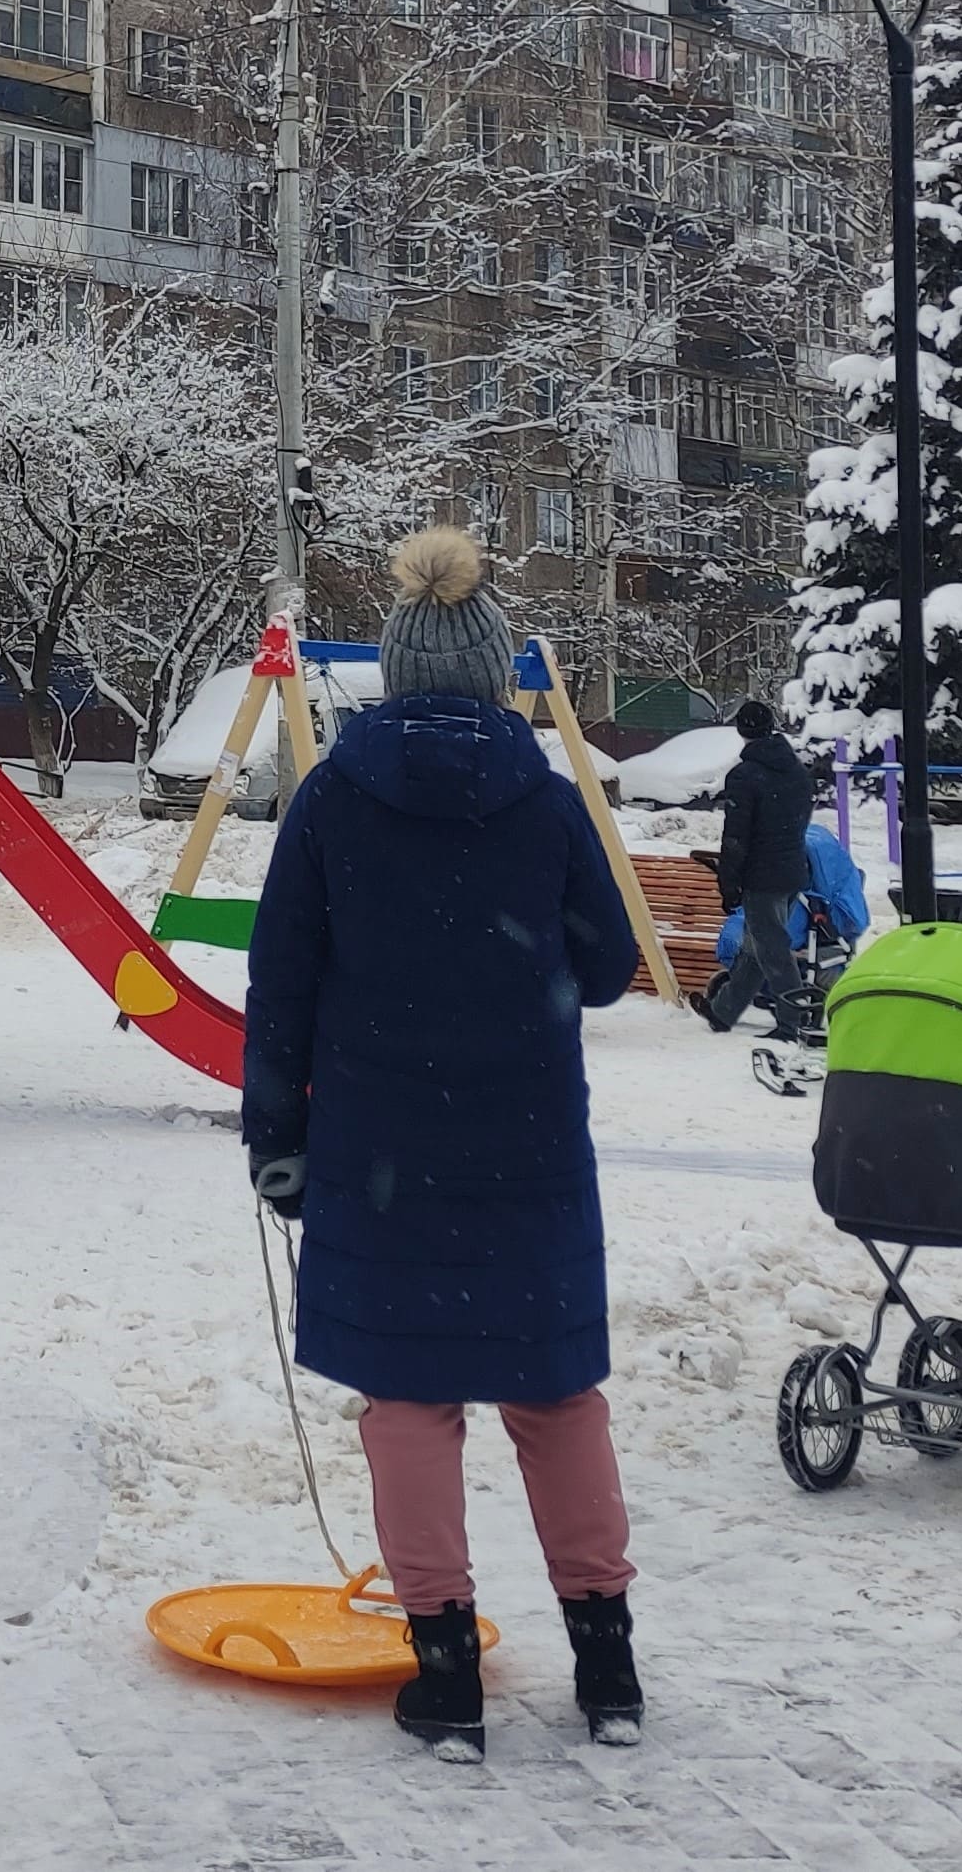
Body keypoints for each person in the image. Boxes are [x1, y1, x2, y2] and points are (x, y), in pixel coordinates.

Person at [243, 528, 646, 1763]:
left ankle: (445, 1669)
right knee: (555, 1392)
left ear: (396, 675)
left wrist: (280, 1135)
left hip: (381, 1147)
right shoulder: (547, 798)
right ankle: (606, 1657)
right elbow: (607, 964)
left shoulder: (331, 799)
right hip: (527, 1144)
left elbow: (282, 980)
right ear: (491, 675)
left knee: (409, 1400)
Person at [699, 701, 814, 1035]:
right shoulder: (795, 771)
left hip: (762, 876)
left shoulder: (744, 776)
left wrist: (729, 882)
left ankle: (794, 1021)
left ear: (741, 731)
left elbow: (736, 837)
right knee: (757, 946)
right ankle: (723, 1011)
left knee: (773, 949)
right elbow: (800, 821)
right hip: (792, 870)